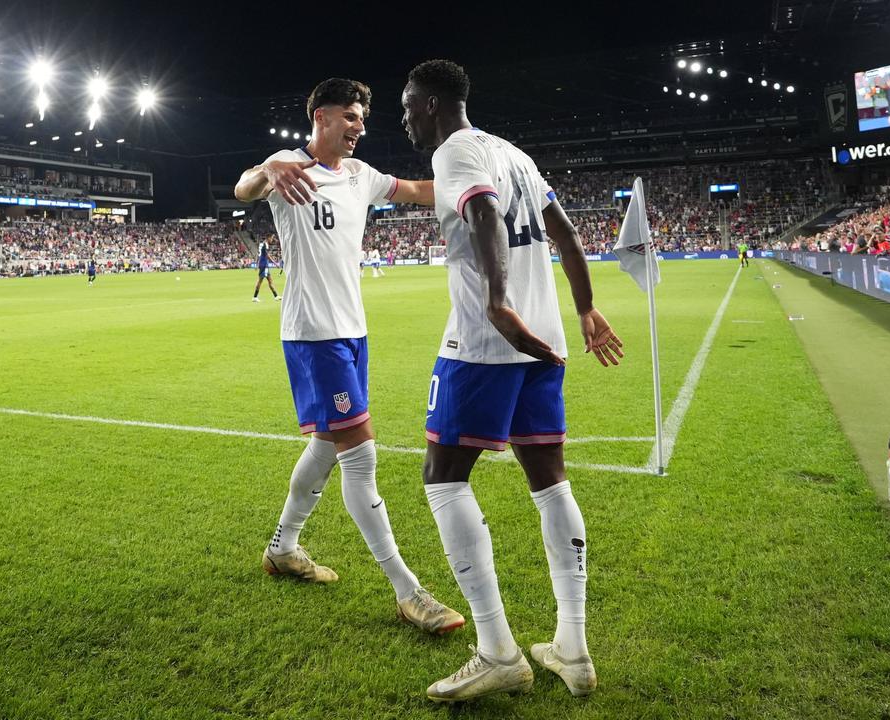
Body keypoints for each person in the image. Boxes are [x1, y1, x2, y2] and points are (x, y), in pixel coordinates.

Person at [401, 59, 623, 702]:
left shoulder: (456, 151)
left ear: (436, 103)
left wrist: (498, 303)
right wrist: (583, 307)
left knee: (443, 479)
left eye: (410, 105)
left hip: (484, 341)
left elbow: (485, 217)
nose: (406, 116)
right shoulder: (516, 154)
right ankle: (572, 648)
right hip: (544, 340)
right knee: (550, 480)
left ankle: (497, 648)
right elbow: (568, 234)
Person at [232, 77, 463, 635]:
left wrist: (477, 183)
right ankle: (410, 592)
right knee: (360, 456)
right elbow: (245, 187)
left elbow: (411, 190)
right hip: (314, 334)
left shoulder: (360, 176)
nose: (360, 127)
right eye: (351, 117)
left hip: (353, 331)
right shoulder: (290, 163)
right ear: (321, 116)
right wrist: (268, 171)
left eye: (362, 118)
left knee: (326, 444)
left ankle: (283, 547)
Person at [251, 237, 280, 302]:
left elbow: (259, 255)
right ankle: (255, 297)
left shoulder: (262, 244)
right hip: (264, 265)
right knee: (260, 281)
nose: (272, 239)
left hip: (264, 264)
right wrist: (275, 263)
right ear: (268, 238)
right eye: (271, 238)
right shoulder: (265, 244)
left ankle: (276, 296)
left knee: (270, 280)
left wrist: (257, 264)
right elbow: (267, 255)